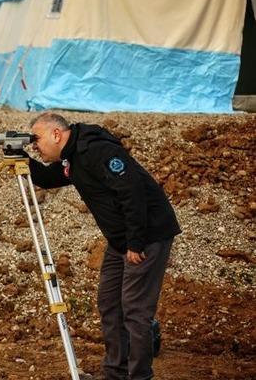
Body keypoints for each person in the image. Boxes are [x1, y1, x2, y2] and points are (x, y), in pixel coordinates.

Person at [27, 112, 180, 380]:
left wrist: (135, 242)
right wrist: (21, 159)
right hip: (121, 239)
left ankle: (139, 376)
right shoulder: (73, 157)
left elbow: (132, 191)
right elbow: (49, 178)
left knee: (135, 309)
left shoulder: (97, 151)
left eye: (36, 139)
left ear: (56, 134)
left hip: (147, 236)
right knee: (110, 303)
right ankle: (115, 374)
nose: (34, 146)